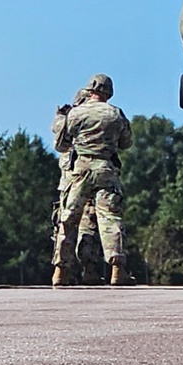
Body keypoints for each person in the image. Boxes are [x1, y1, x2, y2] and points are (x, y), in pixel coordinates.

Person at [51, 73, 134, 286]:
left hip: (80, 169)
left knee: (69, 218)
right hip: (106, 168)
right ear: (109, 92)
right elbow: (126, 143)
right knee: (110, 218)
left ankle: (61, 271)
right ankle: (117, 269)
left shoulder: (76, 114)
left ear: (90, 90)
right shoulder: (115, 114)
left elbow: (61, 145)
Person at [51, 88, 104, 284]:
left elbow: (58, 138)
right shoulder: (93, 125)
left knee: (67, 224)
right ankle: (88, 270)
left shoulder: (68, 121)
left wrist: (61, 116)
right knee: (88, 226)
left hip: (71, 181)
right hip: (87, 176)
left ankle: (61, 270)